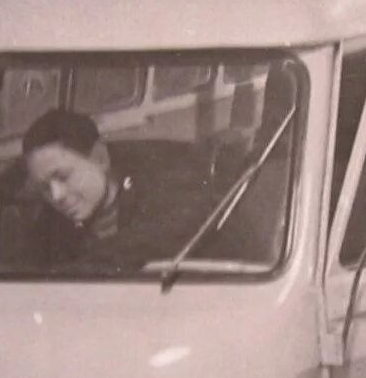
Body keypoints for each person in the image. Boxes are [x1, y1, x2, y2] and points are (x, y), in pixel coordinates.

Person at [14, 108, 217, 270]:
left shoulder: (167, 194)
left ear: (100, 158)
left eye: (63, 177)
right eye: (44, 188)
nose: (56, 195)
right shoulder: (50, 226)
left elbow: (155, 242)